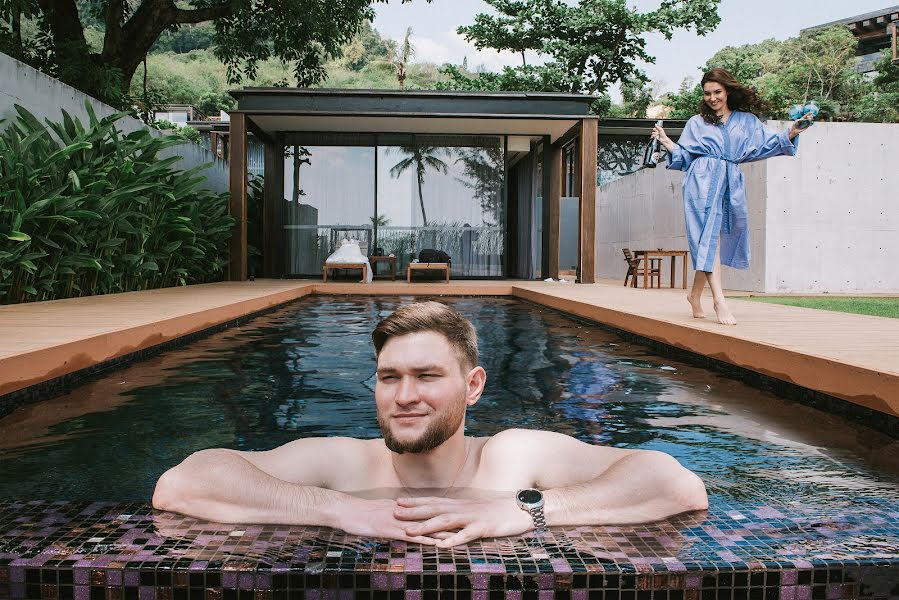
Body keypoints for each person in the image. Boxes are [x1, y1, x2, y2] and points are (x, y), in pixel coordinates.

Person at [152, 301, 708, 547]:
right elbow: (185, 481)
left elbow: (674, 482)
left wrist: (526, 510)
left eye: (426, 375)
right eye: (388, 377)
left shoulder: (514, 458)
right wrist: (337, 509)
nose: (405, 396)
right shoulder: (344, 465)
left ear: (473, 386)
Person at [652, 68, 814, 325]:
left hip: (729, 182)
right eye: (707, 93)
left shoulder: (747, 121)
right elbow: (684, 156)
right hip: (700, 182)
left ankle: (694, 295)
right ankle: (719, 300)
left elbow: (769, 144)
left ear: (727, 91)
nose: (712, 98)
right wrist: (666, 142)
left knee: (712, 240)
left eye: (717, 92)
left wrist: (793, 130)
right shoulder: (696, 122)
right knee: (708, 239)